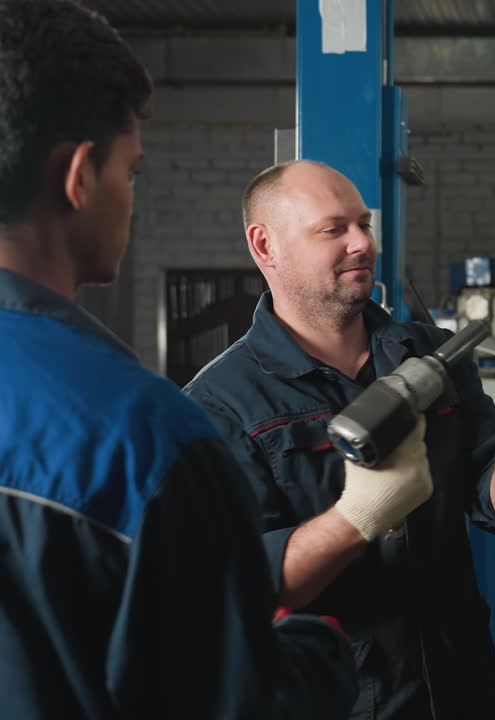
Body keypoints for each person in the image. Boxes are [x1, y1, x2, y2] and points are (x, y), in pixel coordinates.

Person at [0, 1, 380, 717]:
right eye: (132, 171)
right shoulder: (148, 440)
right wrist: (317, 647)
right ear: (80, 177)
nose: (359, 243)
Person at [183, 159, 495, 720]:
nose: (361, 243)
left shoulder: (431, 356)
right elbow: (247, 583)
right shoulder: (221, 404)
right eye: (333, 229)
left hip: (459, 683)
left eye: (363, 225)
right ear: (265, 245)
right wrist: (357, 516)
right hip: (340, 698)